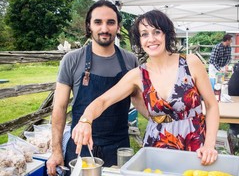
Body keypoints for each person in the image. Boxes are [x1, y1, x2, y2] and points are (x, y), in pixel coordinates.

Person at [71, 10, 219, 165]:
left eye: (157, 32)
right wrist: (85, 121)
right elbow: (103, 101)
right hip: (156, 147)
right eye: (144, 34)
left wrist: (209, 145)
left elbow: (211, 105)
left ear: (167, 34)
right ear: (139, 40)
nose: (151, 39)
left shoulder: (190, 63)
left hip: (195, 145)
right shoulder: (138, 75)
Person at [46, 0, 146, 176]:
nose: (105, 28)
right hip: (81, 145)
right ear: (89, 26)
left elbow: (138, 100)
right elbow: (59, 108)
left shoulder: (130, 61)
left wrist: (161, 120)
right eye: (98, 22)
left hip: (119, 146)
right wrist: (56, 151)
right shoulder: (72, 60)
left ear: (118, 26)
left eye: (111, 22)